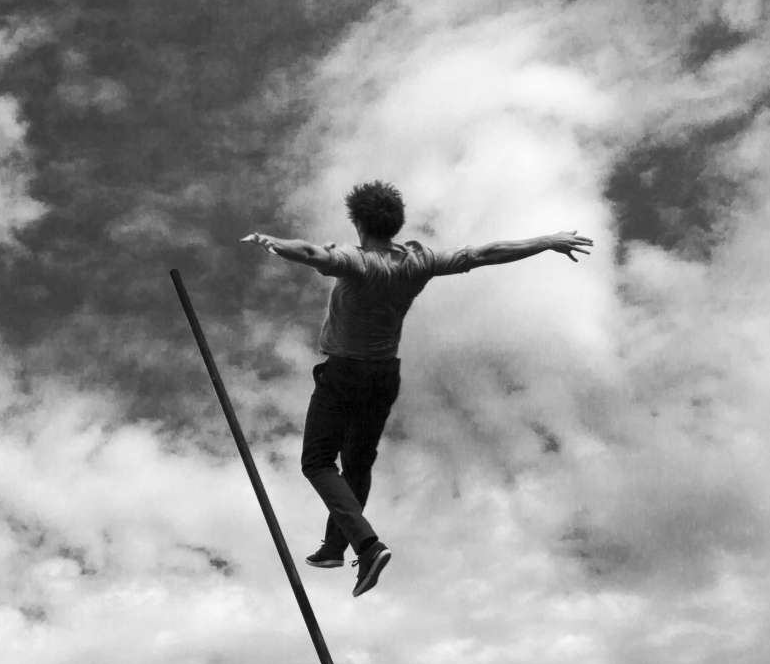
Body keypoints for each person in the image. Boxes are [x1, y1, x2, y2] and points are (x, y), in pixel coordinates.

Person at [242, 181, 593, 597]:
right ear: (395, 224)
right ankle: (336, 547)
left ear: (358, 222)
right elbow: (483, 254)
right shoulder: (418, 261)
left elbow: (312, 254)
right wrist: (546, 241)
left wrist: (273, 243)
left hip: (343, 375)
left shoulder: (357, 262)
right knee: (357, 465)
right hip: (383, 375)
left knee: (317, 462)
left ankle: (367, 546)